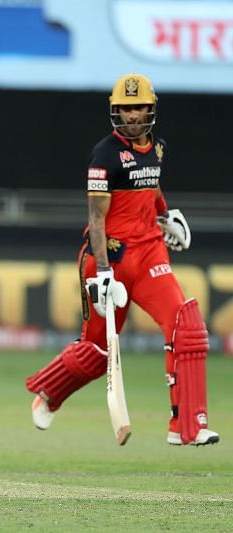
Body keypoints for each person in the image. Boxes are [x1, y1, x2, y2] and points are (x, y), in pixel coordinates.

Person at [25, 73, 219, 446]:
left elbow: (153, 181)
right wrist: (101, 273)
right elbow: (95, 218)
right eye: (125, 109)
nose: (132, 116)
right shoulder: (105, 154)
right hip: (110, 257)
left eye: (139, 107)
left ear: (151, 108)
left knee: (186, 327)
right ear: (116, 111)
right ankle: (49, 393)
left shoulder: (158, 147)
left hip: (149, 253)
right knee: (97, 353)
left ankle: (187, 426)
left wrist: (166, 215)